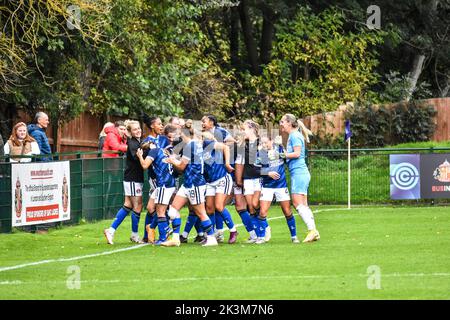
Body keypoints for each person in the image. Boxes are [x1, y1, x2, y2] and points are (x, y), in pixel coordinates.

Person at [164, 128, 218, 247]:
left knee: (201, 213)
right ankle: (175, 238)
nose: (177, 137)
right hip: (188, 183)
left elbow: (182, 167)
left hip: (195, 184)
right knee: (173, 210)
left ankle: (211, 238)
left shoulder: (190, 146)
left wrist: (172, 161)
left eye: (179, 134)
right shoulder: (194, 144)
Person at [279, 114, 320, 243]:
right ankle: (314, 231)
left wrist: (281, 154)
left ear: (290, 123)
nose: (281, 124)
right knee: (304, 205)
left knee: (297, 203)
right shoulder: (294, 135)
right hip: (300, 173)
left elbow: (296, 154)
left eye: (282, 122)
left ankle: (312, 231)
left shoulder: (295, 135)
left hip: (299, 173)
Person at [136, 124, 179, 246]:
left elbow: (144, 166)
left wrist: (140, 156)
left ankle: (163, 237)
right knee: (150, 207)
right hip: (166, 184)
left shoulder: (154, 151)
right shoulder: (161, 150)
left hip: (164, 184)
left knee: (160, 211)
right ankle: (160, 228)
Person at [103, 121, 144, 244]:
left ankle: (111, 230)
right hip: (132, 179)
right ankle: (134, 235)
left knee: (128, 205)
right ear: (130, 132)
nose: (138, 131)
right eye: (135, 129)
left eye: (139, 128)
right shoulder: (132, 143)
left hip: (134, 178)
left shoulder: (137, 141)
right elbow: (138, 156)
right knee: (137, 205)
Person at [255, 136, 299, 244]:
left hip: (281, 185)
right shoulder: (260, 154)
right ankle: (261, 237)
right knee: (262, 211)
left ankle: (294, 236)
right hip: (267, 186)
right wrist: (267, 173)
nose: (264, 145)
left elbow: (287, 157)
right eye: (262, 143)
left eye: (266, 142)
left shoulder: (279, 149)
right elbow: (255, 170)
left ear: (271, 141)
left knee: (287, 211)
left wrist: (281, 146)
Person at [235, 120, 270, 243]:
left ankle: (265, 228)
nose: (241, 131)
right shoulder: (242, 145)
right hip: (248, 178)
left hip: (259, 178)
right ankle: (259, 236)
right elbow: (239, 162)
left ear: (252, 129)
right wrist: (238, 179)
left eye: (243, 129)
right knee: (250, 207)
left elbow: (266, 162)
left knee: (255, 204)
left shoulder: (261, 143)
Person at [140, 114, 169, 243]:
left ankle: (161, 232)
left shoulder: (163, 139)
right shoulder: (147, 140)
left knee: (159, 208)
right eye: (159, 124)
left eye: (162, 124)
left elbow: (170, 152)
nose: (161, 126)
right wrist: (147, 147)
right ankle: (149, 234)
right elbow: (143, 148)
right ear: (152, 126)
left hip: (164, 177)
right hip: (154, 178)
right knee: (153, 208)